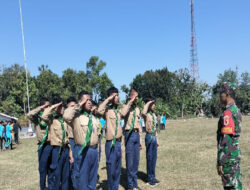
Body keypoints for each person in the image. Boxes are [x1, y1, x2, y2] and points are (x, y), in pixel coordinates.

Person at [63, 91, 100, 190]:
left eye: (90, 100)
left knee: (93, 178)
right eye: (86, 100)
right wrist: (79, 104)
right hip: (83, 150)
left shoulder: (94, 118)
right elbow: (66, 116)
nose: (89, 102)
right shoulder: (76, 117)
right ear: (81, 101)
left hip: (93, 150)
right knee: (83, 180)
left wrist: (97, 151)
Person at [97, 87, 132, 190]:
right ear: (111, 97)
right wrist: (108, 99)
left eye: (118, 95)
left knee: (117, 169)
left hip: (118, 143)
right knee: (111, 168)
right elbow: (99, 110)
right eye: (115, 96)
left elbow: (124, 112)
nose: (118, 97)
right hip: (110, 143)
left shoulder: (118, 111)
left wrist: (130, 101)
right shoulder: (107, 111)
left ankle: (115, 187)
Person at [42, 97, 74, 190]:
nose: (63, 109)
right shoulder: (51, 120)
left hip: (65, 149)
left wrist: (71, 154)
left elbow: (68, 138)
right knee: (57, 175)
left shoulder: (65, 120)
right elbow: (44, 116)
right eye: (61, 107)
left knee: (66, 176)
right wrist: (54, 106)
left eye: (63, 107)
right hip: (56, 151)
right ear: (56, 108)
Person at [217, 82, 242, 190]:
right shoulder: (236, 110)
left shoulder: (228, 113)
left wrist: (221, 161)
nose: (219, 96)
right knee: (236, 185)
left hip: (228, 157)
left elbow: (226, 139)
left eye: (221, 93)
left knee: (230, 187)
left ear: (227, 94)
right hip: (234, 155)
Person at [27, 97, 51, 190]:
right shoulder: (37, 118)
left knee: (51, 168)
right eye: (47, 106)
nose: (48, 108)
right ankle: (43, 187)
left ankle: (51, 187)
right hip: (43, 145)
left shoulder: (50, 117)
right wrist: (41, 108)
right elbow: (29, 114)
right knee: (42, 169)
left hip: (51, 144)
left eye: (49, 106)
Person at [123, 89, 143, 190]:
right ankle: (130, 185)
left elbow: (139, 124)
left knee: (136, 160)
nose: (137, 98)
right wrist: (130, 102)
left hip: (136, 134)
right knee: (130, 160)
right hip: (129, 134)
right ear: (131, 96)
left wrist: (140, 139)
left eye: (138, 96)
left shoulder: (137, 109)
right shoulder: (126, 107)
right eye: (135, 96)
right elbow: (122, 114)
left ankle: (135, 184)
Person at [142, 98, 160, 187]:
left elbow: (155, 128)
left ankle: (153, 177)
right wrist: (148, 102)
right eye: (153, 104)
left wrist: (157, 139)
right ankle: (149, 178)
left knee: (154, 158)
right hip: (149, 136)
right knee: (149, 157)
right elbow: (143, 112)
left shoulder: (153, 115)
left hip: (153, 136)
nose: (154, 106)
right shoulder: (147, 115)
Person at [66, 96, 77, 190]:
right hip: (71, 141)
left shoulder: (77, 116)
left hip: (78, 141)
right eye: (70, 106)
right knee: (71, 165)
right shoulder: (66, 118)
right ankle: (72, 186)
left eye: (74, 106)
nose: (72, 108)